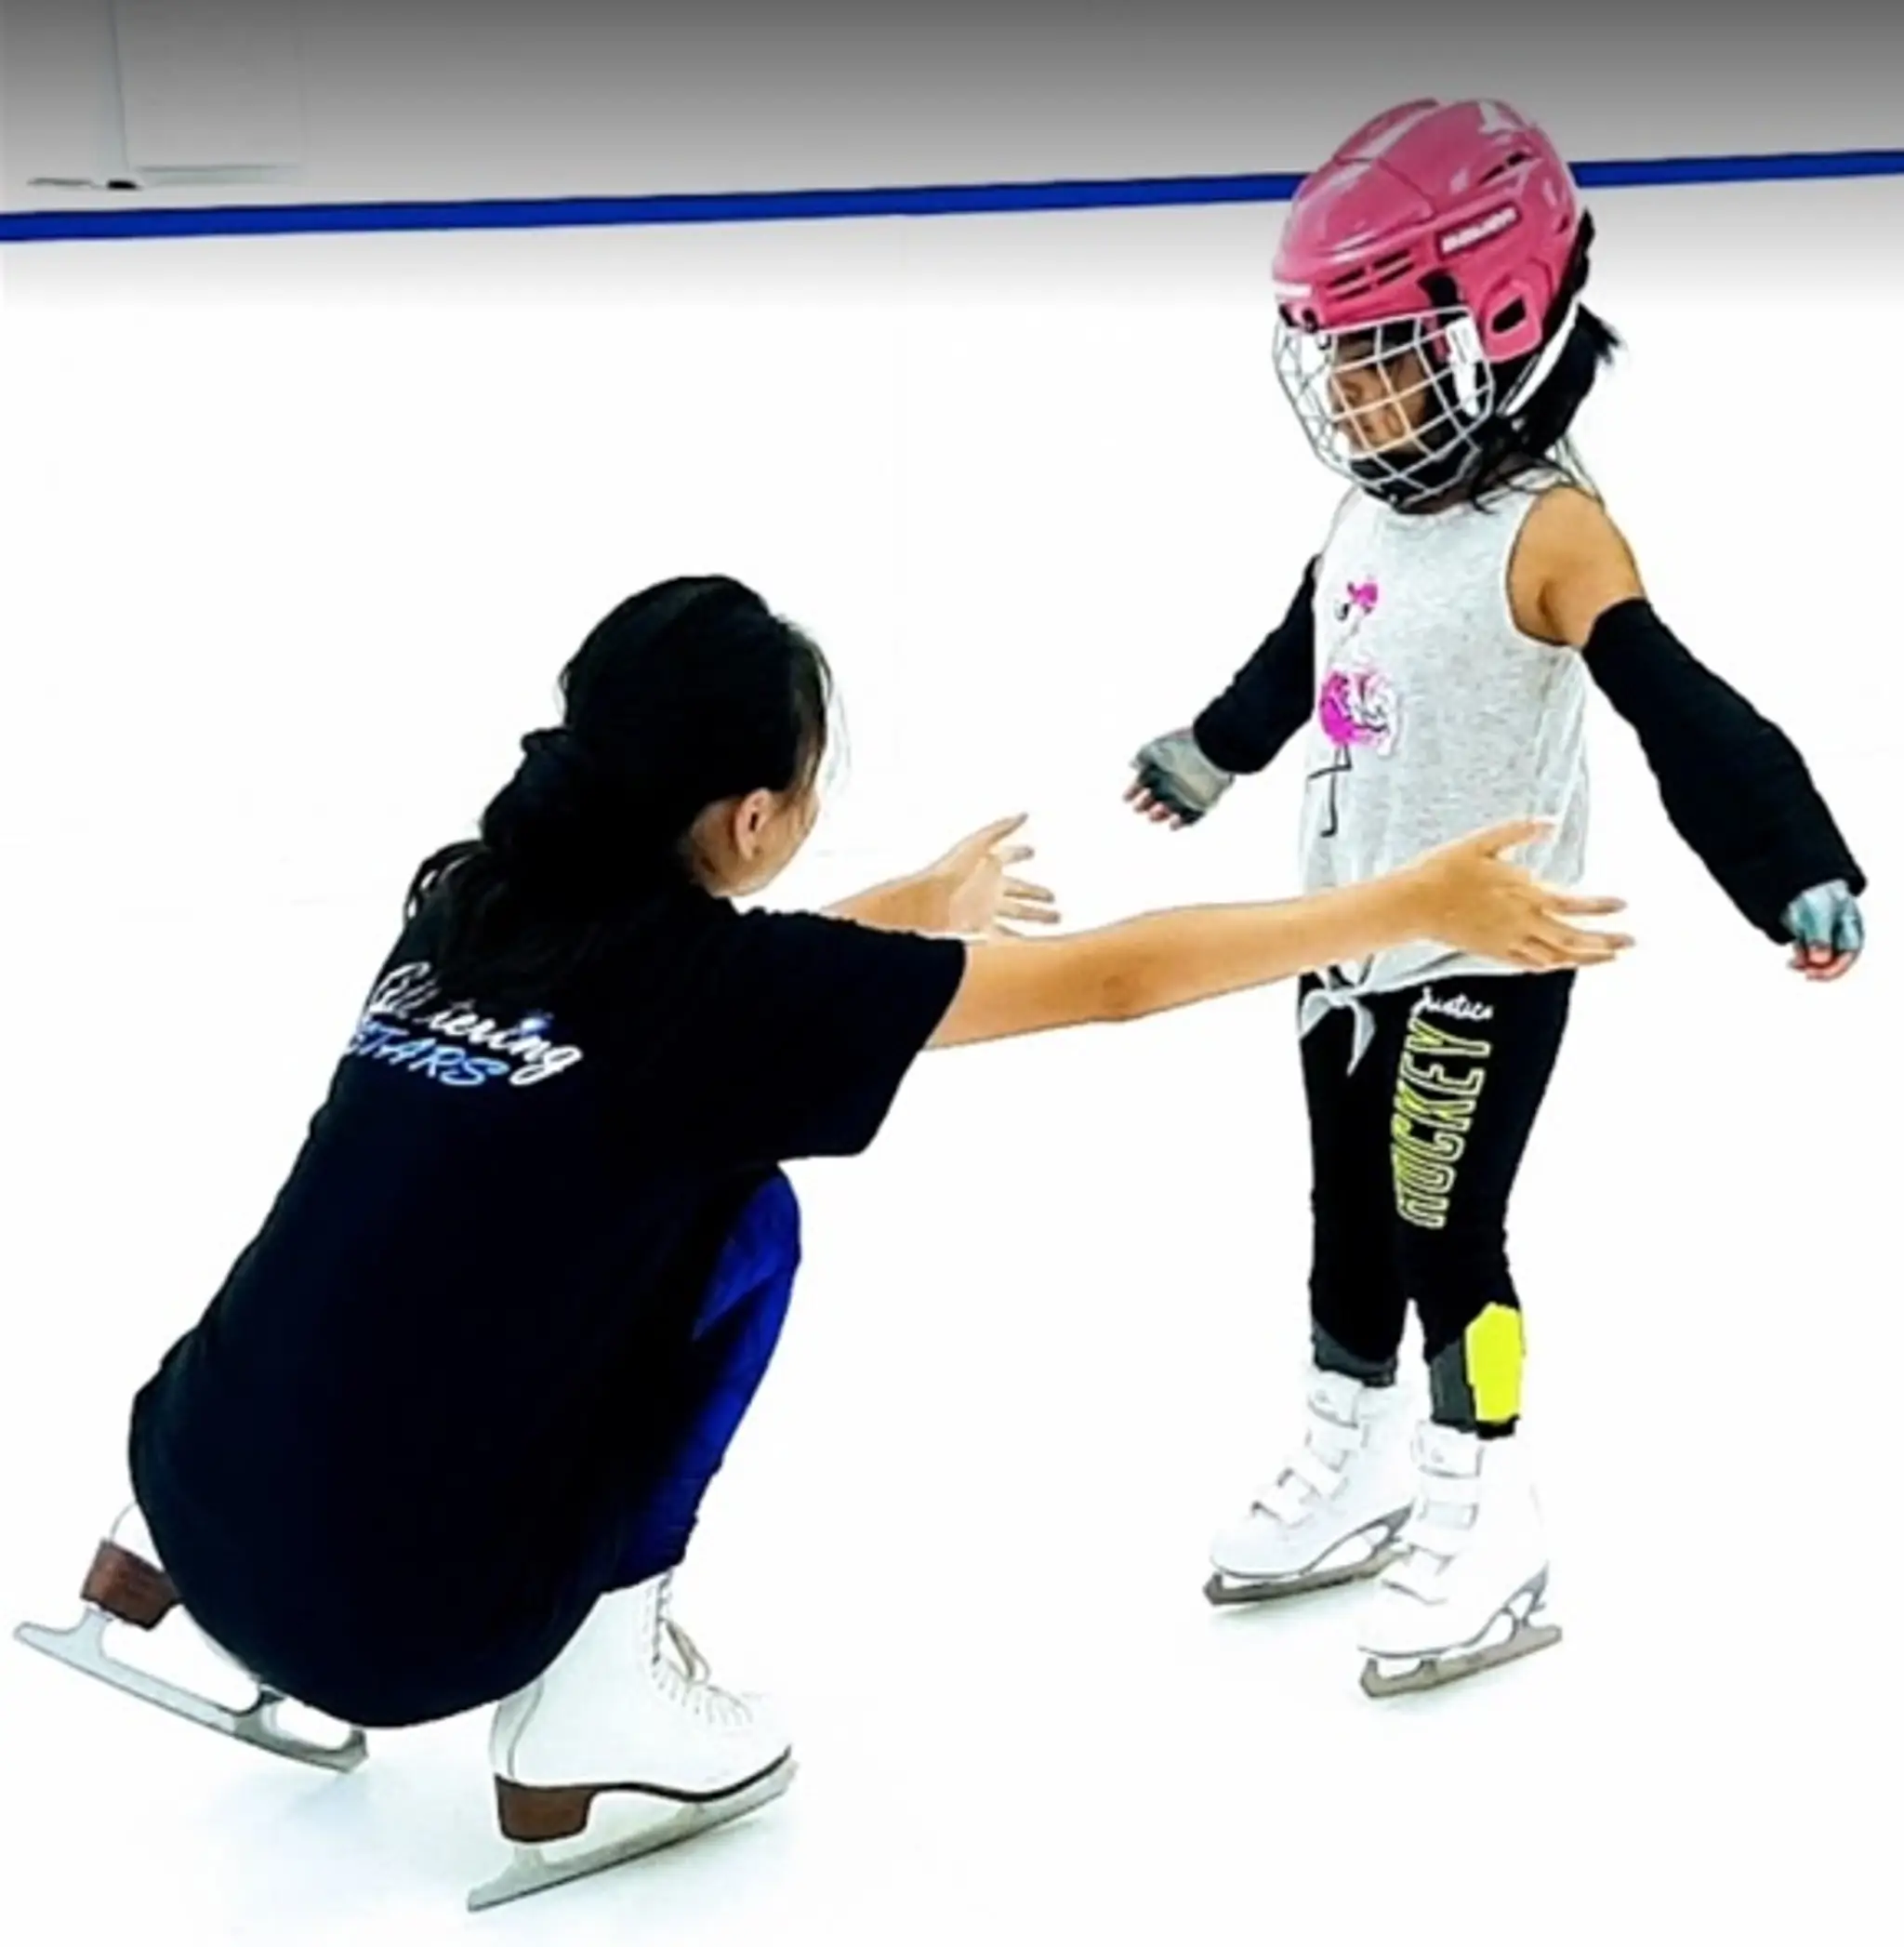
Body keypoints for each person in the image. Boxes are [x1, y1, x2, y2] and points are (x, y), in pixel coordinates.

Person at [17, 576, 1627, 1909]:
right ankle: (588, 1699)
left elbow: (708, 996)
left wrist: (911, 906)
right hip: (399, 1631)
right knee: (745, 1222)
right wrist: (1403, 907)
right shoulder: (712, 1000)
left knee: (407, 1200)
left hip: (188, 1469)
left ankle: (140, 1555)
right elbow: (1118, 980)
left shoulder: (470, 899)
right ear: (754, 815)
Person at [1126, 98, 1869, 1698]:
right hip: (1341, 945)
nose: (1349, 388)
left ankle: (1489, 1494)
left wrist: (1788, 857)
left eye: (1384, 350)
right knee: (1344, 1226)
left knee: (1444, 1223)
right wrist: (1208, 755)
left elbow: (1679, 701)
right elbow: (1306, 649)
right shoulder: (1371, 507)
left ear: (1501, 319)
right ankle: (1362, 1451)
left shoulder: (1555, 529)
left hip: (1488, 948)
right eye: (1333, 353)